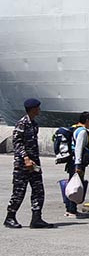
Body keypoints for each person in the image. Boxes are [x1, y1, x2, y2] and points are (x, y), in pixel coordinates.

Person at [4, 98, 52, 229]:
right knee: (19, 191)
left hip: (34, 164)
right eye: (38, 107)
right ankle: (10, 217)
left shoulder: (34, 124)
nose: (39, 110)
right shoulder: (22, 124)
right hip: (22, 164)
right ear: (32, 109)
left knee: (38, 191)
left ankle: (36, 218)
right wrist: (25, 158)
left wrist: (34, 162)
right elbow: (17, 143)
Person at [66, 112, 89, 217]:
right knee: (76, 186)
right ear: (87, 121)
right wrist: (78, 165)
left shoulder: (75, 129)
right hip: (77, 162)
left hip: (73, 161)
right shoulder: (82, 132)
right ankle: (71, 210)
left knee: (72, 183)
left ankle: (69, 208)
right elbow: (78, 148)